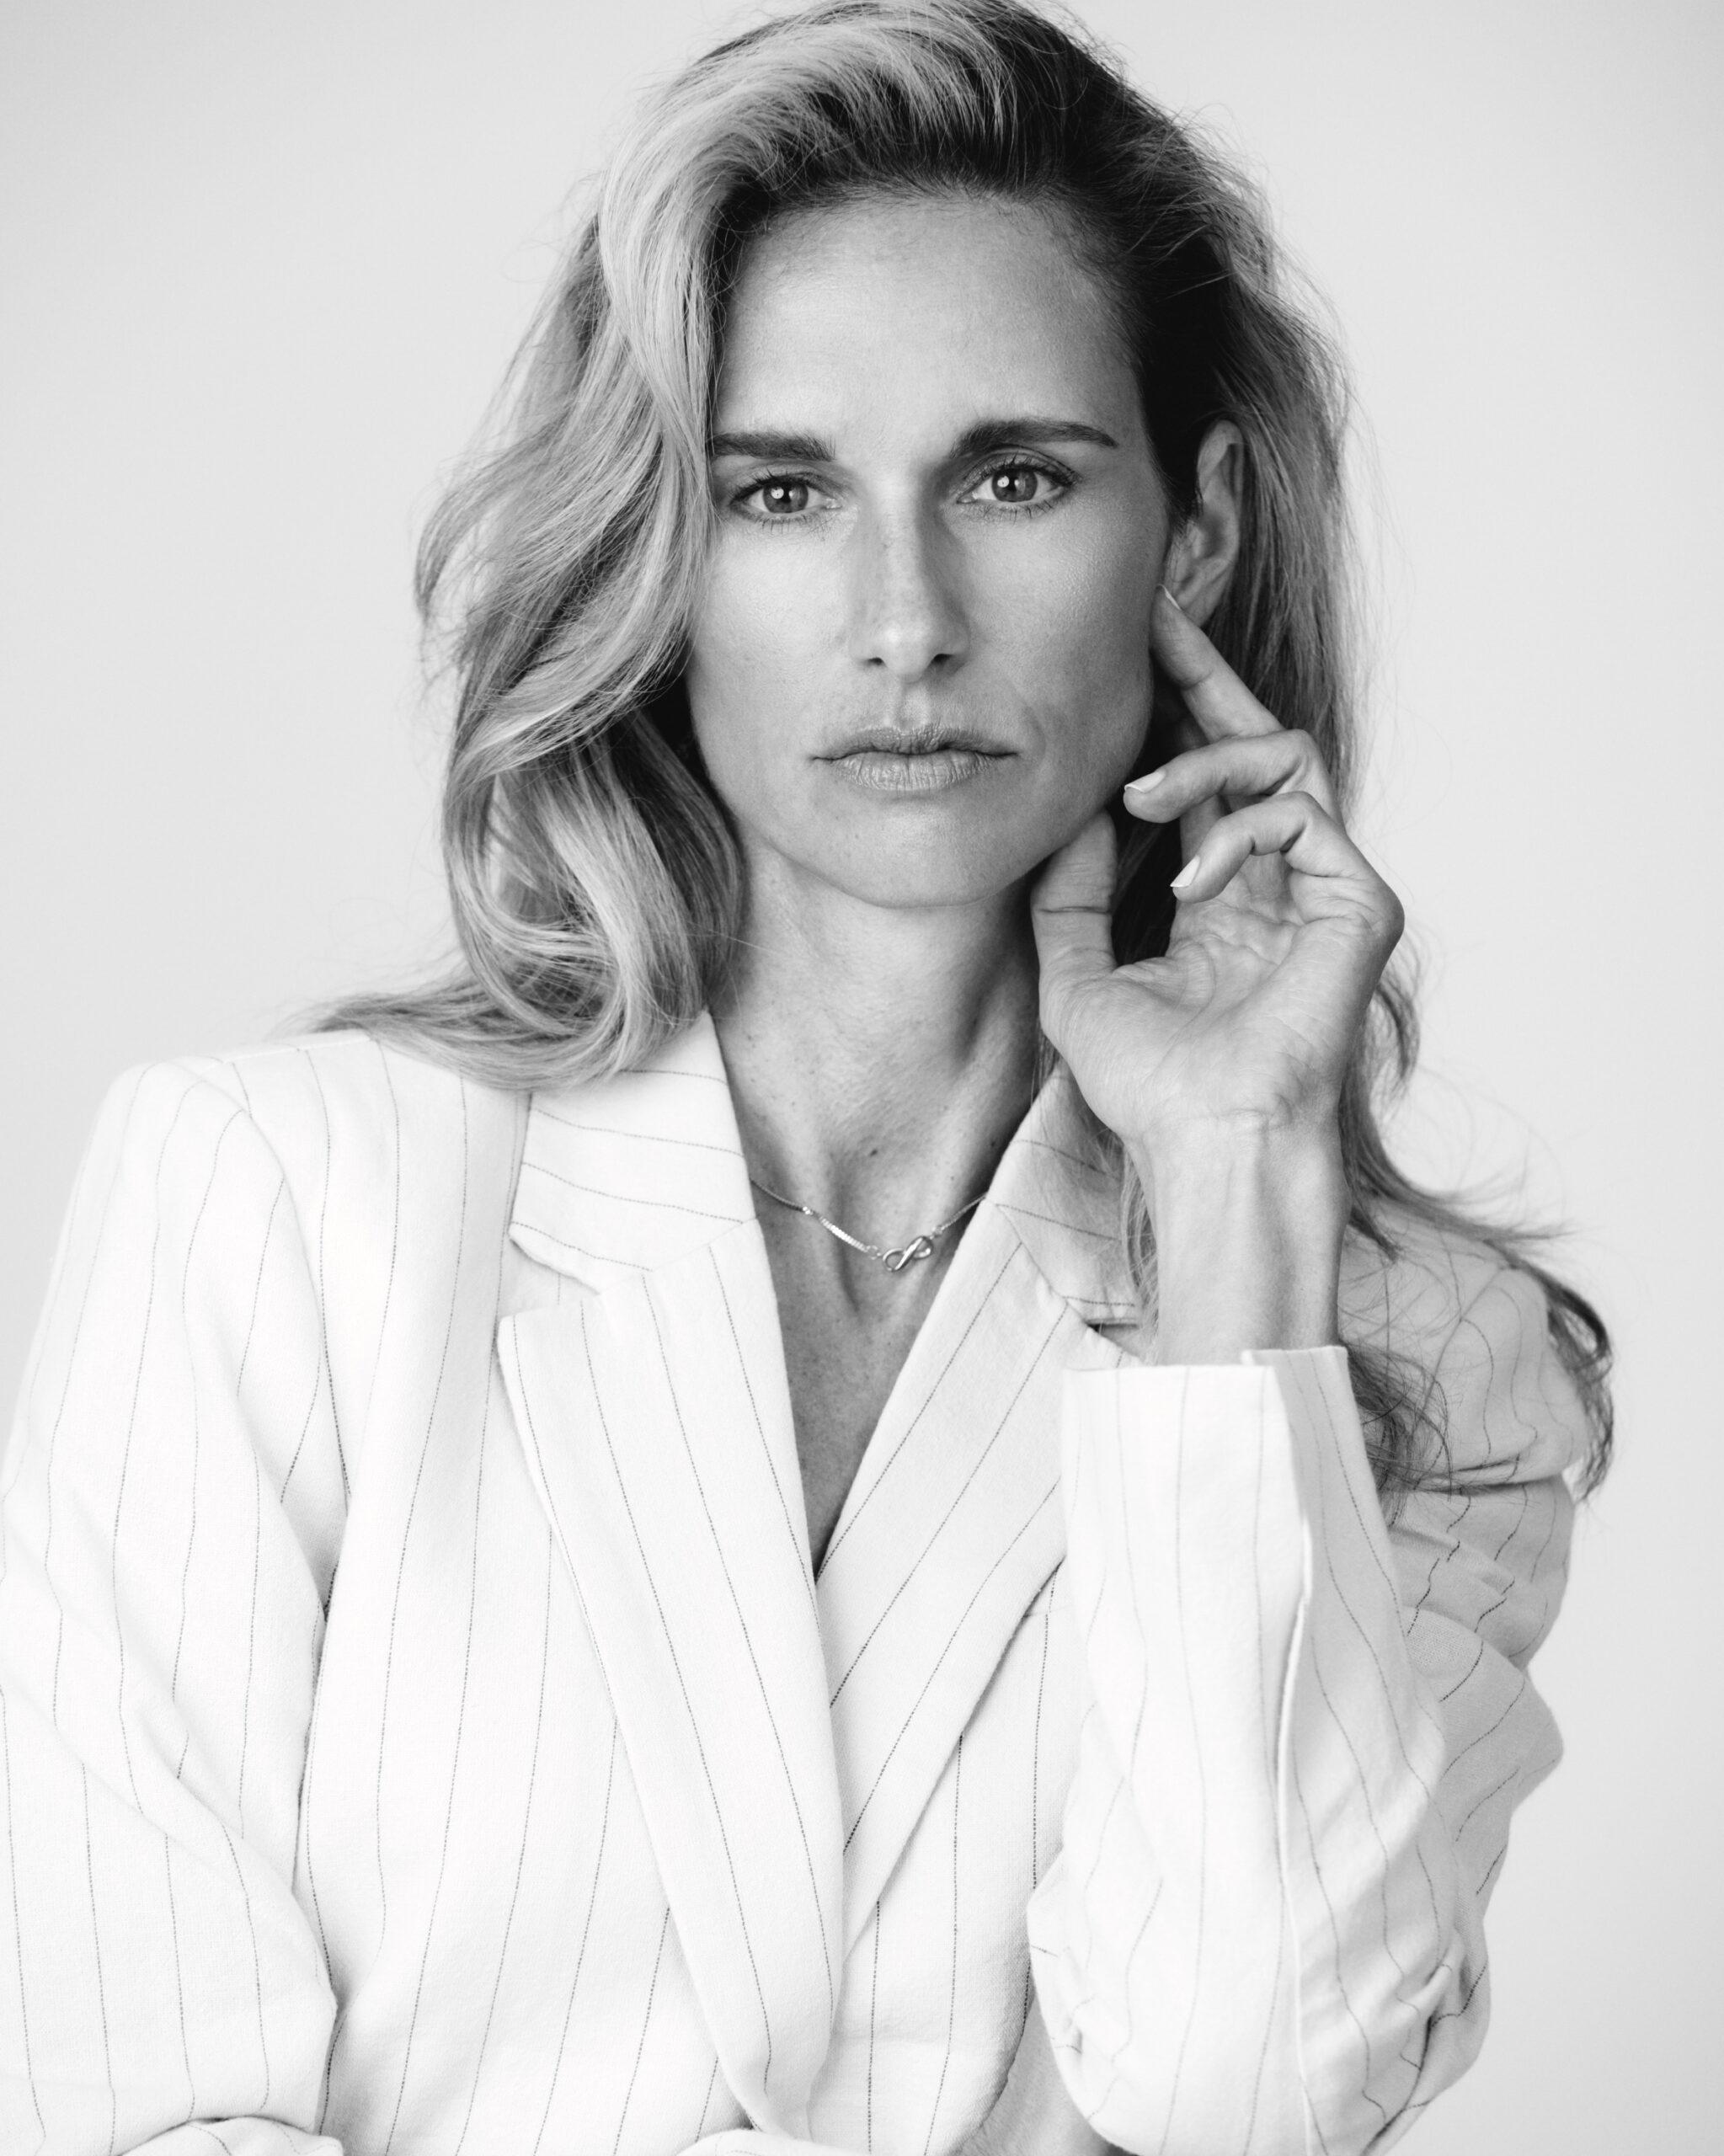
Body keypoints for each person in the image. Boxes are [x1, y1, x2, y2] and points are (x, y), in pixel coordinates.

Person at [0, 3, 1613, 2152]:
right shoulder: (274, 1197)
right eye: (780, 490)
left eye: (1015, 478)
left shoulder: (1424, 1362)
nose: (903, 617)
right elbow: (122, 2098)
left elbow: (1250, 2090)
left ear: (1196, 532)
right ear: (658, 554)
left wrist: (1236, 1182)